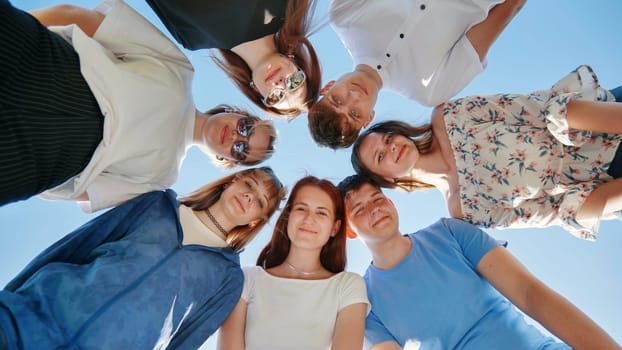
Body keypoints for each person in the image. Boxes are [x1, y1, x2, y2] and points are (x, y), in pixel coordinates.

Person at [1, 0, 276, 212]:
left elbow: (85, 192)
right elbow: (84, 20)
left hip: (46, 155)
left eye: (241, 149)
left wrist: (29, 175)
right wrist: (23, 34)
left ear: (228, 161)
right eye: (246, 127)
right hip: (46, 66)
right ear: (239, 112)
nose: (237, 137)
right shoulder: (181, 69)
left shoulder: (161, 179)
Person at [0, 167, 286, 350]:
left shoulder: (228, 278)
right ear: (232, 181)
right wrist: (10, 295)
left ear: (256, 220)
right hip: (26, 318)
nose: (249, 197)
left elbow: (186, 342)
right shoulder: (156, 205)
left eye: (260, 201)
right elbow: (77, 245)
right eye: (249, 184)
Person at [337, 174, 621, 350]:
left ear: (392, 203)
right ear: (350, 230)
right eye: (359, 209)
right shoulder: (365, 303)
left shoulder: (449, 233)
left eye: (377, 198)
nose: (374, 209)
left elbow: (531, 295)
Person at [351, 65, 622, 240]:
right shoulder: (464, 210)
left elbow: (535, 109)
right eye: (380, 156)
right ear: (389, 181)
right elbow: (553, 212)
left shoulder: (448, 118)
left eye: (387, 138)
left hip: (605, 117)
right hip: (611, 183)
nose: (391, 147)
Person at [307, 0, 526, 148]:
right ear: (369, 118)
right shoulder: (429, 92)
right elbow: (504, 14)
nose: (353, 96)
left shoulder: (343, 16)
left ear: (328, 87)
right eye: (355, 114)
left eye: (336, 99)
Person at [217, 176, 369, 350]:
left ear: (334, 228)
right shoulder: (247, 279)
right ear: (288, 216)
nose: (308, 219)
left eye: (321, 212)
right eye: (301, 209)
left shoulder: (348, 286)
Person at [145, 0, 322, 118]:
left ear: (257, 92)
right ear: (297, 63)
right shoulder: (281, 4)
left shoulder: (192, 38)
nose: (282, 85)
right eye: (294, 83)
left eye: (277, 97)